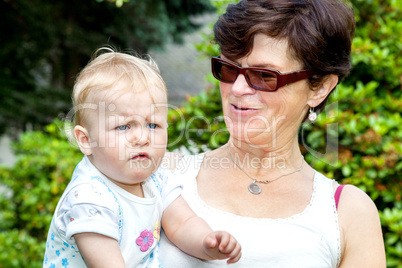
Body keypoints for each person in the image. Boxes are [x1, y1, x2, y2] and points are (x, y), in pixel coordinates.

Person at [159, 0, 386, 267]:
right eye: (229, 69)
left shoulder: (347, 212)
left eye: (264, 76)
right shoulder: (163, 175)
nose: (238, 89)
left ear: (320, 88)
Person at [43, 48, 241, 268]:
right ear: (86, 140)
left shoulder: (156, 177)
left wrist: (207, 243)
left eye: (152, 125)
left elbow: (182, 223)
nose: (142, 137)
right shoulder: (89, 197)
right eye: (123, 126)